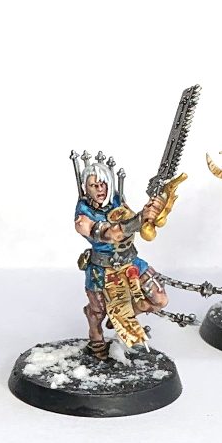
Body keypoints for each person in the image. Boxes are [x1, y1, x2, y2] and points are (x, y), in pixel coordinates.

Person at [73, 154, 167, 360]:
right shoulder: (83, 216)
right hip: (101, 270)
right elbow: (111, 234)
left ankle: (123, 316)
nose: (100, 189)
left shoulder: (117, 200)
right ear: (85, 187)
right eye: (94, 185)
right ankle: (96, 337)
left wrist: (155, 212)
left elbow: (138, 224)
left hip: (130, 262)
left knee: (159, 299)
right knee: (98, 312)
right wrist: (140, 218)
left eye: (103, 184)